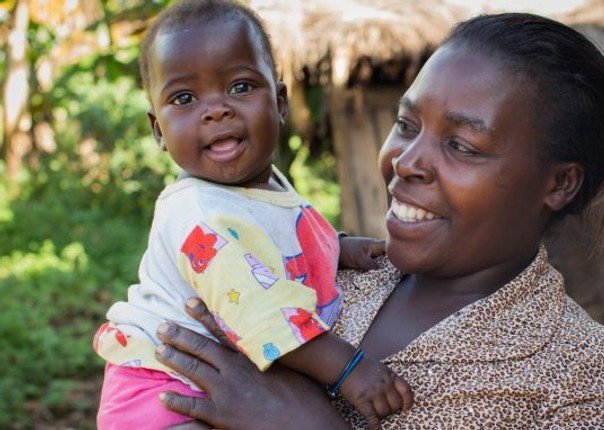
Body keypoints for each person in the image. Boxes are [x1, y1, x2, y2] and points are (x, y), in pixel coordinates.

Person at [153, 11, 604, 429]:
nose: (405, 160)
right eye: (406, 124)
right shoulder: (320, 277)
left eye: (461, 145)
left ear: (559, 184)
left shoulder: (593, 377)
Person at [92, 1, 413, 429]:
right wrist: (348, 368)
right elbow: (262, 311)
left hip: (207, 381)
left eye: (240, 87)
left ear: (279, 103)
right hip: (160, 387)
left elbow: (277, 244)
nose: (216, 110)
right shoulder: (196, 210)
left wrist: (337, 248)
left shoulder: (268, 189)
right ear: (159, 131)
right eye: (184, 98)